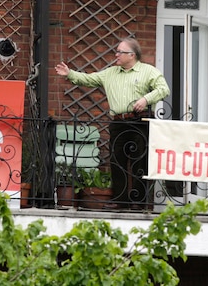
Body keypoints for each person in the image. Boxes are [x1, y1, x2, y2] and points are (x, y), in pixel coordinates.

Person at [54, 37, 170, 210]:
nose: (116, 54)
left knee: (140, 162)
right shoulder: (110, 73)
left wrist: (146, 99)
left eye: (120, 52)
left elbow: (163, 89)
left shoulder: (148, 71)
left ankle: (140, 202)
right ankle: (121, 200)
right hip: (118, 122)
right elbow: (88, 79)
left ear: (131, 55)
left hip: (141, 121)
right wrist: (70, 74)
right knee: (117, 162)